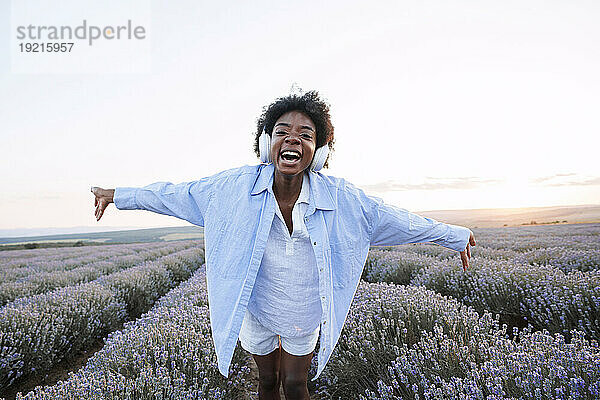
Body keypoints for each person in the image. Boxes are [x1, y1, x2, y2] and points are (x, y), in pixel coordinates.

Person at [91, 90, 476, 400]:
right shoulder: (232, 189)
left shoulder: (342, 199)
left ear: (319, 151)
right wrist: (118, 194)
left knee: (295, 386)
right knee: (265, 382)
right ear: (267, 143)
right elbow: (175, 195)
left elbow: (395, 219)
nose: (292, 138)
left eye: (306, 134)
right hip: (257, 305)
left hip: (304, 309)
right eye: (282, 131)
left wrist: (452, 234)